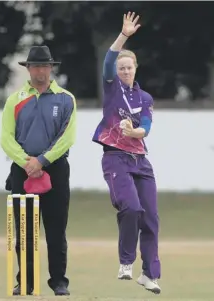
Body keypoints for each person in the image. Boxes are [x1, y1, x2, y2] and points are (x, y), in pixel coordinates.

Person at [92, 12, 161, 294]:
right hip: (115, 157)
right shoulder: (112, 89)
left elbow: (146, 125)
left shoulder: (144, 98)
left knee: (151, 217)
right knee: (131, 208)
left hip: (140, 160)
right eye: (122, 68)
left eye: (129, 67)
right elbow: (109, 60)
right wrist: (124, 36)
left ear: (136, 69)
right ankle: (125, 262)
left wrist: (137, 133)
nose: (125, 71)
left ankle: (150, 274)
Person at [0, 45, 77, 296]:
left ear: (51, 68)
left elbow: (67, 137)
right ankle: (26, 281)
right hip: (23, 170)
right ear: (28, 69)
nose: (40, 70)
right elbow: (6, 138)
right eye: (35, 66)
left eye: (45, 66)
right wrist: (27, 162)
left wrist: (42, 161)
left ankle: (59, 282)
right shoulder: (16, 99)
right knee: (25, 232)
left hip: (55, 169)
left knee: (56, 230)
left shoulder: (65, 98)